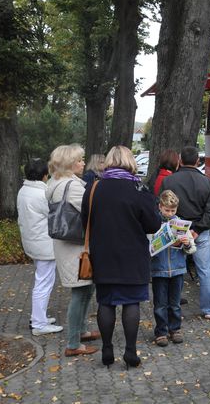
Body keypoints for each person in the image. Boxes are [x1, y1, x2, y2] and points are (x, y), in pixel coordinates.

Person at [81, 146, 161, 368]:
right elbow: (153, 224)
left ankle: (107, 349)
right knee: (131, 302)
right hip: (132, 255)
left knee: (106, 302)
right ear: (130, 161)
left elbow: (84, 221)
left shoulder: (94, 187)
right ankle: (130, 351)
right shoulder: (138, 189)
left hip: (102, 253)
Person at [46, 144, 99, 357]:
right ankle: (73, 343)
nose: (83, 163)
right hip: (76, 246)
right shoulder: (73, 187)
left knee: (85, 289)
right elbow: (92, 212)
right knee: (80, 292)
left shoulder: (54, 183)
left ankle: (82, 331)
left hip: (65, 243)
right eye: (79, 160)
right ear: (69, 164)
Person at [161, 146, 210, 319]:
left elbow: (161, 206)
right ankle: (209, 309)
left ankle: (173, 307)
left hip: (175, 231)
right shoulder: (208, 182)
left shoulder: (169, 181)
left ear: (180, 160)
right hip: (199, 233)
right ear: (198, 161)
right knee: (205, 271)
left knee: (176, 270)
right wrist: (197, 230)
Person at [17, 158, 63, 336]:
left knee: (42, 280)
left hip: (33, 241)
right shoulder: (41, 194)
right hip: (43, 244)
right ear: (45, 175)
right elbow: (54, 214)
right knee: (44, 283)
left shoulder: (24, 190)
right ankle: (39, 323)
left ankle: (39, 317)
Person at [150, 190, 195, 347]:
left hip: (177, 269)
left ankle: (175, 329)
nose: (170, 213)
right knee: (160, 303)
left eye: (173, 210)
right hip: (159, 269)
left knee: (175, 303)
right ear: (160, 207)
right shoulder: (153, 223)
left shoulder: (180, 224)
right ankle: (161, 332)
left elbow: (191, 248)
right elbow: (148, 246)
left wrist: (186, 243)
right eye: (167, 210)